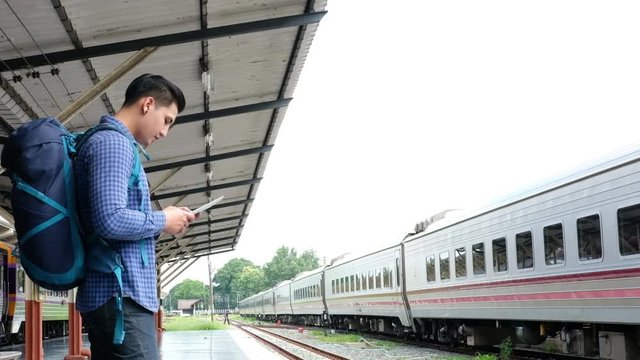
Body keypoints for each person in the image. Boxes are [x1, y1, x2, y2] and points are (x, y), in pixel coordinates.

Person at [75, 73, 196, 359]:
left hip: (117, 295)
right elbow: (110, 219)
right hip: (120, 296)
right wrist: (162, 220)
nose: (165, 132)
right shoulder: (113, 144)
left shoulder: (115, 144)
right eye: (167, 120)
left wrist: (165, 223)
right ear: (148, 104)